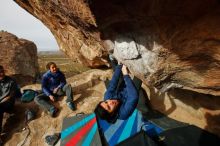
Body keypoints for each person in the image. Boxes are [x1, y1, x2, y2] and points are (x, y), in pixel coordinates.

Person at [0, 65, 21, 144]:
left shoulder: (11, 81)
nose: (2, 73)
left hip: (8, 103)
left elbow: (10, 96)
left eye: (2, 71)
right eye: (0, 72)